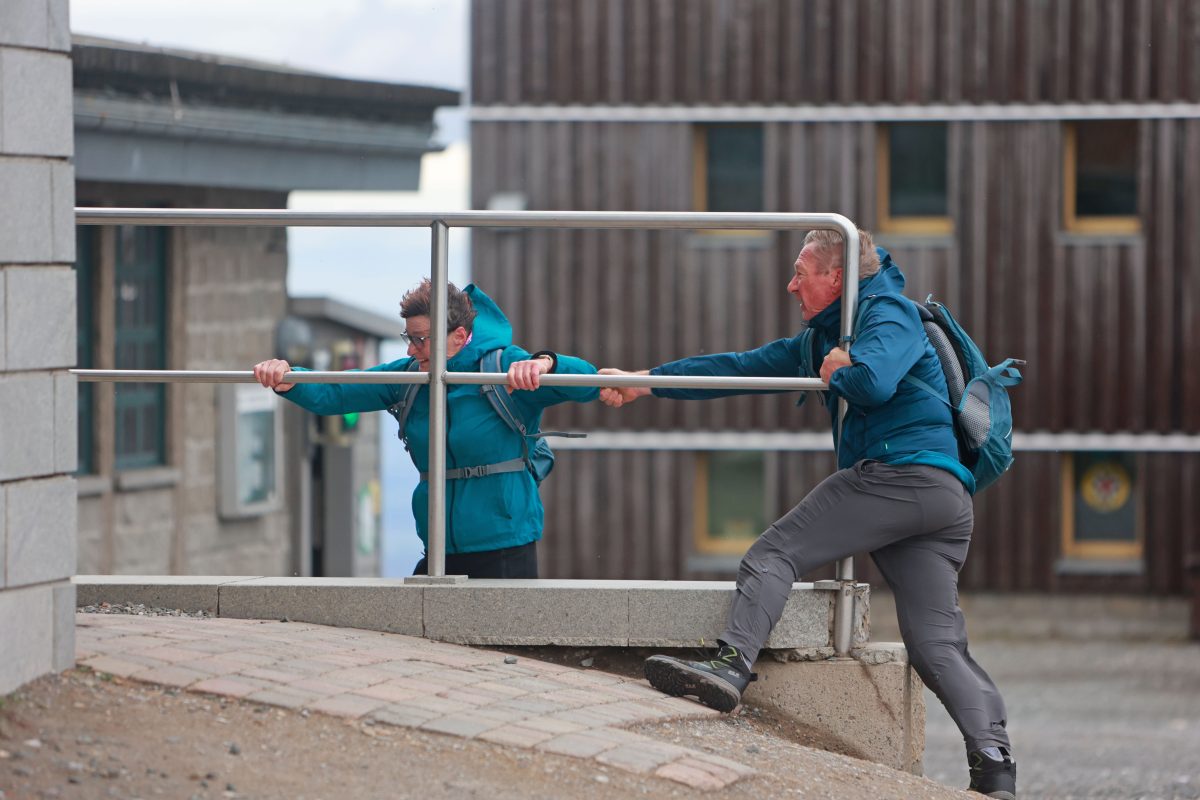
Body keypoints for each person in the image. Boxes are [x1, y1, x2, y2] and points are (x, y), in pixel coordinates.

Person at [599, 229, 1016, 799]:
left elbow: (874, 381)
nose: (790, 283)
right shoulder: (823, 335)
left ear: (837, 277)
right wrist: (644, 384)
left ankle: (730, 668)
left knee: (775, 552)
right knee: (935, 644)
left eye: (802, 271)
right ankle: (994, 770)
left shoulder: (888, 312)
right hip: (937, 498)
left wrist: (841, 367)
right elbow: (738, 367)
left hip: (904, 475)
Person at [254, 280, 598, 579]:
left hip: (506, 546)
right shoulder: (411, 377)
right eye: (409, 337)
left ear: (459, 336)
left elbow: (588, 384)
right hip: (438, 544)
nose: (410, 349)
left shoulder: (504, 367)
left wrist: (546, 362)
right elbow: (336, 393)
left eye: (420, 339)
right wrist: (288, 377)